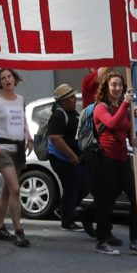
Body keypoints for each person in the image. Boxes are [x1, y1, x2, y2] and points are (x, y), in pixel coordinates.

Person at [91, 72, 137, 256]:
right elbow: (112, 124)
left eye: (120, 85)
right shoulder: (100, 107)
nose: (117, 88)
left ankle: (135, 240)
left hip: (122, 159)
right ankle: (101, 241)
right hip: (107, 159)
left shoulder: (124, 108)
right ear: (107, 86)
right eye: (113, 85)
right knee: (107, 202)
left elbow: (126, 130)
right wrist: (125, 106)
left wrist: (133, 138)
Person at [0, 68, 32, 247]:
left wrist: (29, 136)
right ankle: (19, 231)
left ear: (14, 78)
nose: (7, 80)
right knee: (16, 189)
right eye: (3, 78)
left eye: (9, 76)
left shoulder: (20, 100)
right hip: (2, 150)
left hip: (18, 149)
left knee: (7, 191)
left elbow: (23, 120)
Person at [45, 83, 87, 232]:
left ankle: (63, 209)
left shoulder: (73, 113)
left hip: (75, 157)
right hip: (62, 159)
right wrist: (72, 156)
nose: (75, 99)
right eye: (71, 97)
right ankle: (67, 221)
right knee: (72, 187)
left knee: (83, 184)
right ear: (63, 101)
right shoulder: (59, 115)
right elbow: (56, 138)